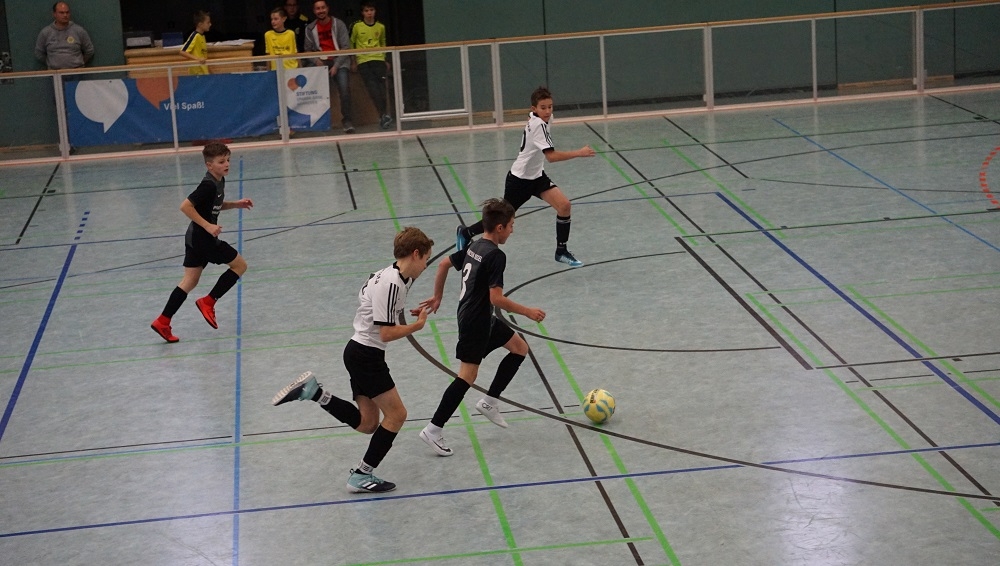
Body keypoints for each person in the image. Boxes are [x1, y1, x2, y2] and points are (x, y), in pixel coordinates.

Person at [272, 227, 435, 493]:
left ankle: (315, 393)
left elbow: (373, 306)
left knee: (368, 423)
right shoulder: (392, 283)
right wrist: (416, 326)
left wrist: (404, 312)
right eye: (426, 259)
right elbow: (385, 333)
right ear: (416, 254)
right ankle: (361, 475)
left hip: (358, 351)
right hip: (366, 355)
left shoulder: (392, 276)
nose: (426, 266)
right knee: (397, 415)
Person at [418, 199, 546, 456]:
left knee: (519, 348)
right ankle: (433, 429)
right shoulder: (496, 255)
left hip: (478, 317)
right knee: (467, 376)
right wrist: (528, 312)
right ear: (499, 227)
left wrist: (438, 296)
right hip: (476, 322)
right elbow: (496, 298)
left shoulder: (475, 245)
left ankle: (489, 401)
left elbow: (443, 264)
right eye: (511, 225)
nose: (512, 230)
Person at [456, 87, 596, 267]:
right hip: (519, 180)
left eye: (550, 107)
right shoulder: (538, 126)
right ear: (534, 108)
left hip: (537, 177)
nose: (548, 111)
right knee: (501, 218)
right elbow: (551, 157)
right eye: (543, 108)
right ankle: (466, 233)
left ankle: (561, 251)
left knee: (564, 206)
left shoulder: (539, 118)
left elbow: (533, 120)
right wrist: (579, 153)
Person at [150, 142, 254, 343]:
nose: (226, 164)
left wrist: (236, 204)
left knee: (189, 281)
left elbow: (214, 204)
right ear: (209, 165)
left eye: (228, 160)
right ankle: (208, 301)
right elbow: (185, 206)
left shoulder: (219, 180)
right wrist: (208, 226)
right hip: (203, 239)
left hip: (194, 238)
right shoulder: (207, 185)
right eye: (221, 162)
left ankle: (163, 321)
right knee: (240, 265)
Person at [304, 0, 355, 133]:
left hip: (339, 61)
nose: (321, 11)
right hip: (321, 62)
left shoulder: (339, 24)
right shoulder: (310, 28)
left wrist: (336, 66)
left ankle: (347, 120)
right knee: (313, 91)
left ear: (328, 8)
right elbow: (307, 51)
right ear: (314, 11)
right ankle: (318, 121)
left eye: (323, 8)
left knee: (344, 89)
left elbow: (346, 48)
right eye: (318, 9)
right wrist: (316, 61)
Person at [350, 1, 393, 129]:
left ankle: (384, 115)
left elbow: (383, 42)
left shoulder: (380, 27)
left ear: (375, 11)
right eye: (366, 11)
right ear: (362, 13)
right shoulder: (357, 26)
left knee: (381, 88)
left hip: (378, 59)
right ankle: (382, 115)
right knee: (372, 87)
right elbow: (351, 43)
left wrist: (384, 59)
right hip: (363, 61)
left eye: (371, 10)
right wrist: (353, 61)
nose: (369, 13)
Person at [34, 2, 94, 70]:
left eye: (67, 12)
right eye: (61, 13)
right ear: (54, 14)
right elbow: (39, 53)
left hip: (76, 72)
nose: (65, 15)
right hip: (54, 73)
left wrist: (78, 63)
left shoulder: (79, 31)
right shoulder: (45, 32)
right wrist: (52, 63)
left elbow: (89, 51)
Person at [179, 10, 212, 75]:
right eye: (208, 22)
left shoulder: (202, 37)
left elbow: (203, 56)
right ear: (200, 24)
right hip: (196, 73)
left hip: (204, 72)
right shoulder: (194, 36)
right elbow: (182, 52)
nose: (210, 24)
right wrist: (197, 59)